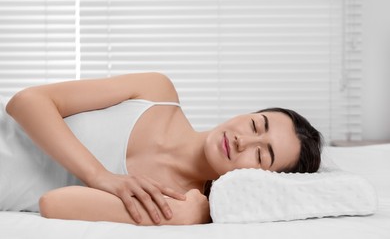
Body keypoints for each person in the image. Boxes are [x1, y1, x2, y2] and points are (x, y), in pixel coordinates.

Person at [1, 72, 323, 225]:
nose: (243, 139)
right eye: (255, 124)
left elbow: (53, 203)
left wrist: (185, 219)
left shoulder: (181, 206)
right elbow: (27, 102)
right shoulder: (157, 92)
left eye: (260, 155)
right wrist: (101, 176)